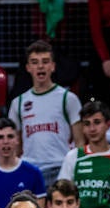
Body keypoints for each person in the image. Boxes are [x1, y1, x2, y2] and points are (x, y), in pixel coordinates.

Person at [7, 40, 83, 181]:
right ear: (28, 68)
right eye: (35, 62)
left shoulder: (68, 98)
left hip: (60, 169)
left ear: (53, 66)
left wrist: (75, 172)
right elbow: (15, 145)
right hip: (29, 170)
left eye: (45, 61)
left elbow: (80, 143)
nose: (40, 66)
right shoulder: (18, 103)